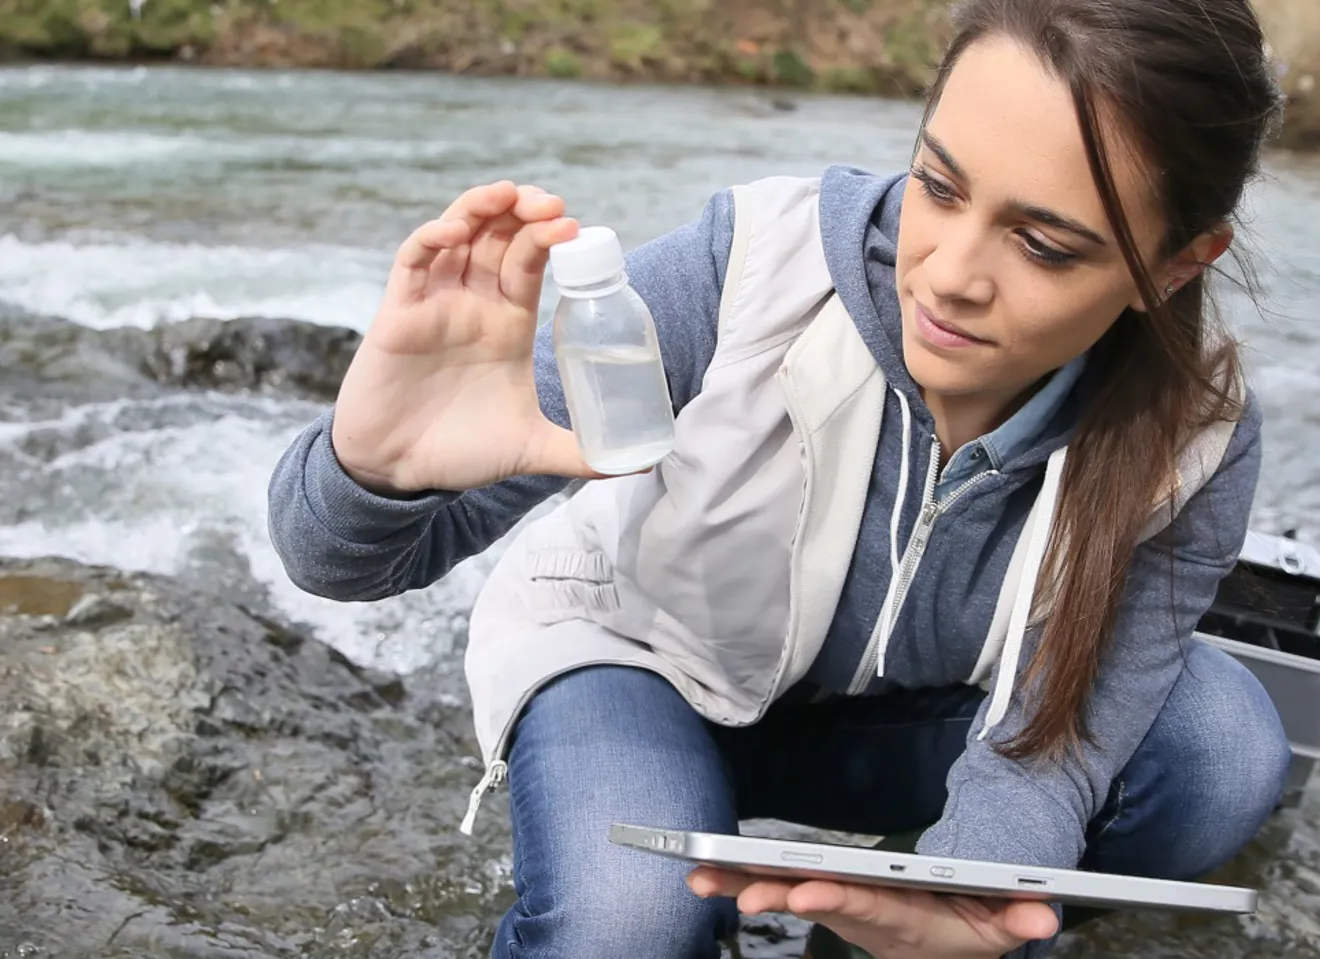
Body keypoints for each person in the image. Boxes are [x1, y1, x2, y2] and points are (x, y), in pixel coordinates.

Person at [266, 0, 1295, 955]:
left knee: (1219, 745)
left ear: (1176, 263)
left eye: (1043, 243)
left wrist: (962, 897)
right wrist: (376, 466)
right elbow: (341, 564)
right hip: (643, 677)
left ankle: (854, 932)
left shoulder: (1193, 437)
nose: (949, 273)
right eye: (940, 184)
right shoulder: (749, 266)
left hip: (912, 728)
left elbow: (1050, 742)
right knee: (630, 919)